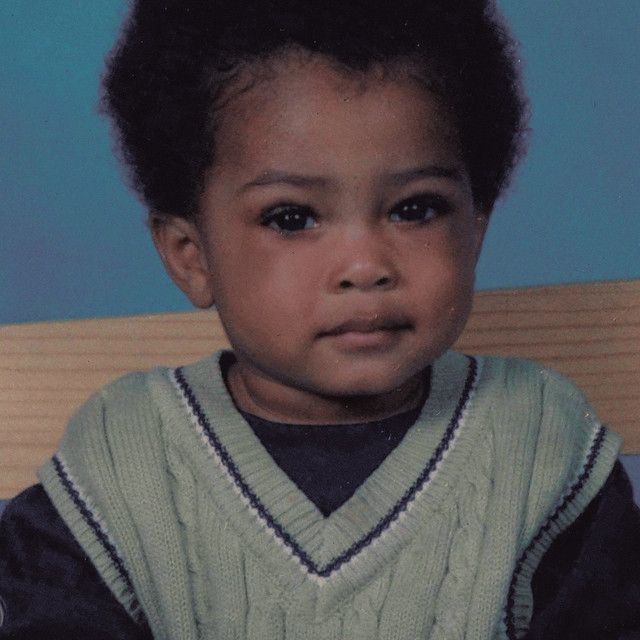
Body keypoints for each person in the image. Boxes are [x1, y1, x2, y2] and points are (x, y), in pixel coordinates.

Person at [1, 1, 639, 638]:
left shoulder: (544, 447)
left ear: (475, 230)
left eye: (415, 209)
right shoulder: (120, 463)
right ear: (191, 257)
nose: (365, 265)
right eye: (292, 218)